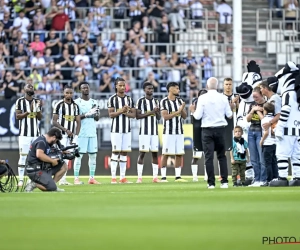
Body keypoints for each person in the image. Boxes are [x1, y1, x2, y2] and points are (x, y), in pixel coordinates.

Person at [190, 77, 232, 189]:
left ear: (207, 86)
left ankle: (211, 183)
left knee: (209, 158)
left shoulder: (202, 98)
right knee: (222, 157)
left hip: (207, 130)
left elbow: (197, 116)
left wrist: (192, 111)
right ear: (217, 86)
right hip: (220, 129)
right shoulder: (223, 98)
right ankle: (224, 182)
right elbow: (229, 115)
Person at [107, 77, 136, 184]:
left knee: (124, 153)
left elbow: (133, 115)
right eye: (120, 85)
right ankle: (113, 177)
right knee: (115, 152)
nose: (123, 87)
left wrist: (125, 112)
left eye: (124, 85)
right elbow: (111, 114)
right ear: (116, 86)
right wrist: (121, 110)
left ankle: (122, 177)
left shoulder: (129, 99)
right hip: (116, 130)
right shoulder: (112, 99)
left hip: (127, 130)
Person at [52, 85, 81, 185]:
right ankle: (58, 178)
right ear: (63, 93)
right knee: (61, 156)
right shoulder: (59, 104)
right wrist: (65, 129)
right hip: (61, 135)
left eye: (71, 93)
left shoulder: (75, 106)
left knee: (68, 156)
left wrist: (76, 136)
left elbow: (78, 122)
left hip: (71, 135)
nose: (69, 95)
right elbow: (54, 121)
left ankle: (63, 179)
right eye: (67, 93)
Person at [15, 84, 42, 187]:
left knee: (36, 157)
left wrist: (37, 109)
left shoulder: (37, 101)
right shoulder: (20, 101)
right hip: (24, 134)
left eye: (32, 87)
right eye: (28, 87)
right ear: (24, 90)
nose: (31, 88)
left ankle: (34, 179)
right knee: (23, 156)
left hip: (36, 134)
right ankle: (21, 180)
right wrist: (29, 111)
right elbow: (18, 116)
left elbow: (39, 118)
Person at [24, 128, 67, 192]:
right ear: (53, 137)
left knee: (63, 166)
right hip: (35, 170)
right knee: (51, 188)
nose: (55, 142)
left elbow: (49, 153)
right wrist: (52, 161)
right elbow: (39, 155)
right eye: (56, 140)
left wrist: (61, 152)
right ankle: (33, 184)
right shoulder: (41, 142)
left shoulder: (46, 141)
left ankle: (53, 184)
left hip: (43, 167)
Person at [160, 82, 187, 182]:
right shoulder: (164, 102)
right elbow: (165, 117)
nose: (178, 90)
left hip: (179, 131)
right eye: (177, 88)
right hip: (168, 131)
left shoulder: (180, 100)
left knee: (179, 153)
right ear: (170, 89)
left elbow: (184, 116)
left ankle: (178, 177)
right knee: (166, 153)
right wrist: (178, 111)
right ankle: (163, 177)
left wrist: (182, 109)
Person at [74, 82, 100, 185]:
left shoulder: (94, 102)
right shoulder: (77, 102)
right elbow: (76, 118)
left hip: (92, 132)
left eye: (87, 88)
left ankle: (92, 178)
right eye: (83, 88)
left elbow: (97, 119)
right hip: (81, 133)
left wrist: (95, 113)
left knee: (93, 156)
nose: (86, 89)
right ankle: (76, 178)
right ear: (80, 90)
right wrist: (87, 114)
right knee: (79, 156)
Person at [135, 82, 161, 183]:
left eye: (152, 89)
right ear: (144, 90)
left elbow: (158, 117)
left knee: (155, 153)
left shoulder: (156, 101)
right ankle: (139, 177)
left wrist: (157, 112)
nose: (150, 90)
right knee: (142, 153)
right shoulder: (140, 101)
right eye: (148, 89)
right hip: (144, 132)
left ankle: (155, 177)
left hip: (154, 131)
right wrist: (151, 112)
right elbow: (138, 116)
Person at [246, 87, 267, 187]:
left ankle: (263, 179)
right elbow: (248, 119)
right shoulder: (252, 105)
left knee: (261, 157)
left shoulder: (266, 105)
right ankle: (257, 178)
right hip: (251, 130)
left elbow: (265, 120)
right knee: (253, 158)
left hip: (260, 131)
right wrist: (252, 110)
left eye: (256, 96)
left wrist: (258, 111)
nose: (254, 98)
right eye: (253, 97)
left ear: (262, 95)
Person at [190, 89, 208, 182]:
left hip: (207, 131)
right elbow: (192, 120)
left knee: (207, 155)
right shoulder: (194, 105)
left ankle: (206, 176)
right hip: (198, 132)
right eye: (201, 95)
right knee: (196, 155)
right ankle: (194, 177)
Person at [260, 102, 278, 185]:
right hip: (275, 143)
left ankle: (268, 180)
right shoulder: (274, 118)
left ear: (265, 110)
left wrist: (262, 141)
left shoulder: (264, 120)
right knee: (274, 162)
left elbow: (266, 132)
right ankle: (275, 178)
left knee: (268, 163)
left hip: (267, 143)